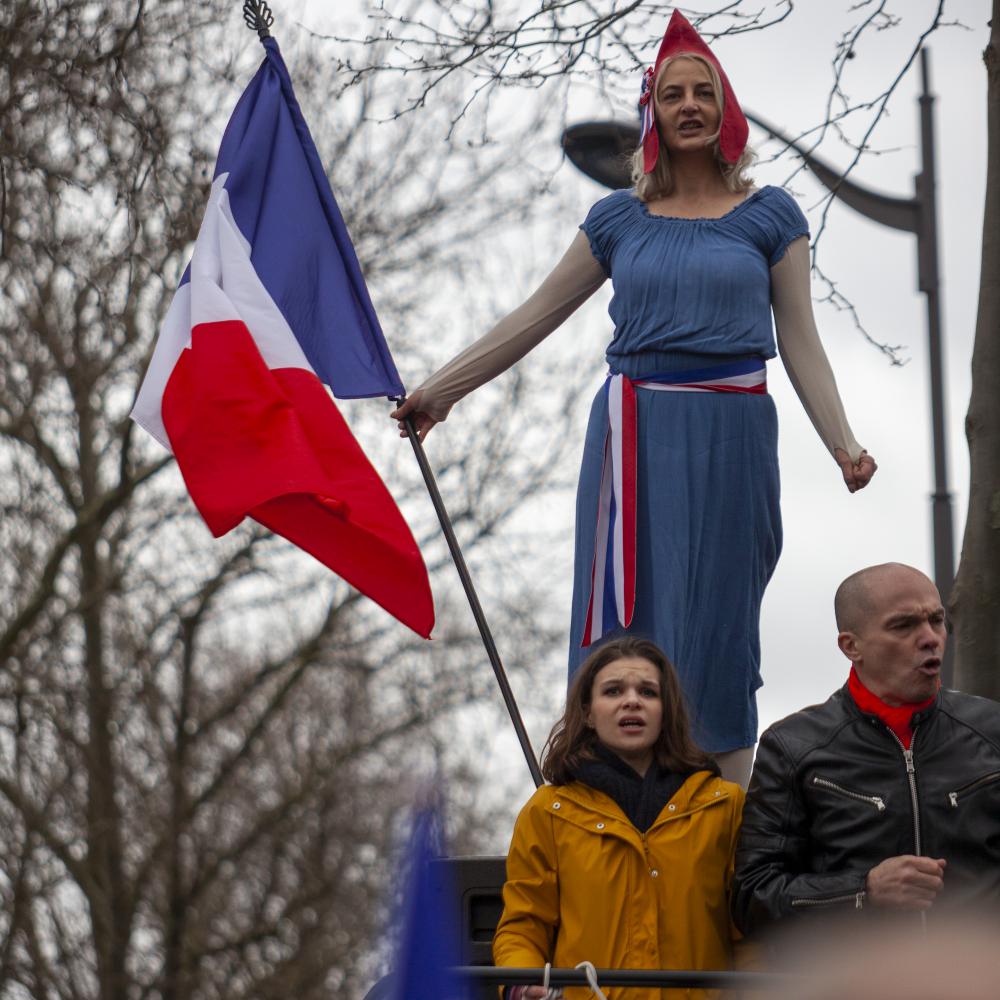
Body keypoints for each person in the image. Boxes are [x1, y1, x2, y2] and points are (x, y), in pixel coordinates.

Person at [392, 10, 876, 784]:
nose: (689, 106)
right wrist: (441, 392)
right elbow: (538, 313)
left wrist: (844, 444)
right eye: (673, 94)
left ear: (725, 111)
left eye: (703, 93)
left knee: (720, 615)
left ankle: (723, 796)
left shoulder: (770, 216)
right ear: (654, 113)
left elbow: (801, 338)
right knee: (628, 613)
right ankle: (601, 782)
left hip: (732, 433)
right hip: (635, 434)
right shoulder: (619, 219)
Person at [731, 562, 1000, 938]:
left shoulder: (991, 730)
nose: (930, 638)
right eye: (904, 625)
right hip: (857, 971)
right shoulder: (793, 747)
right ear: (851, 646)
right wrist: (863, 891)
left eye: (936, 620)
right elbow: (752, 898)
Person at [492, 637, 744, 999]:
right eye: (613, 691)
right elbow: (523, 926)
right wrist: (521, 985)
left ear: (666, 711)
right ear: (588, 713)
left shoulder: (726, 805)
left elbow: (749, 933)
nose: (632, 700)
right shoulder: (547, 811)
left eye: (648, 692)